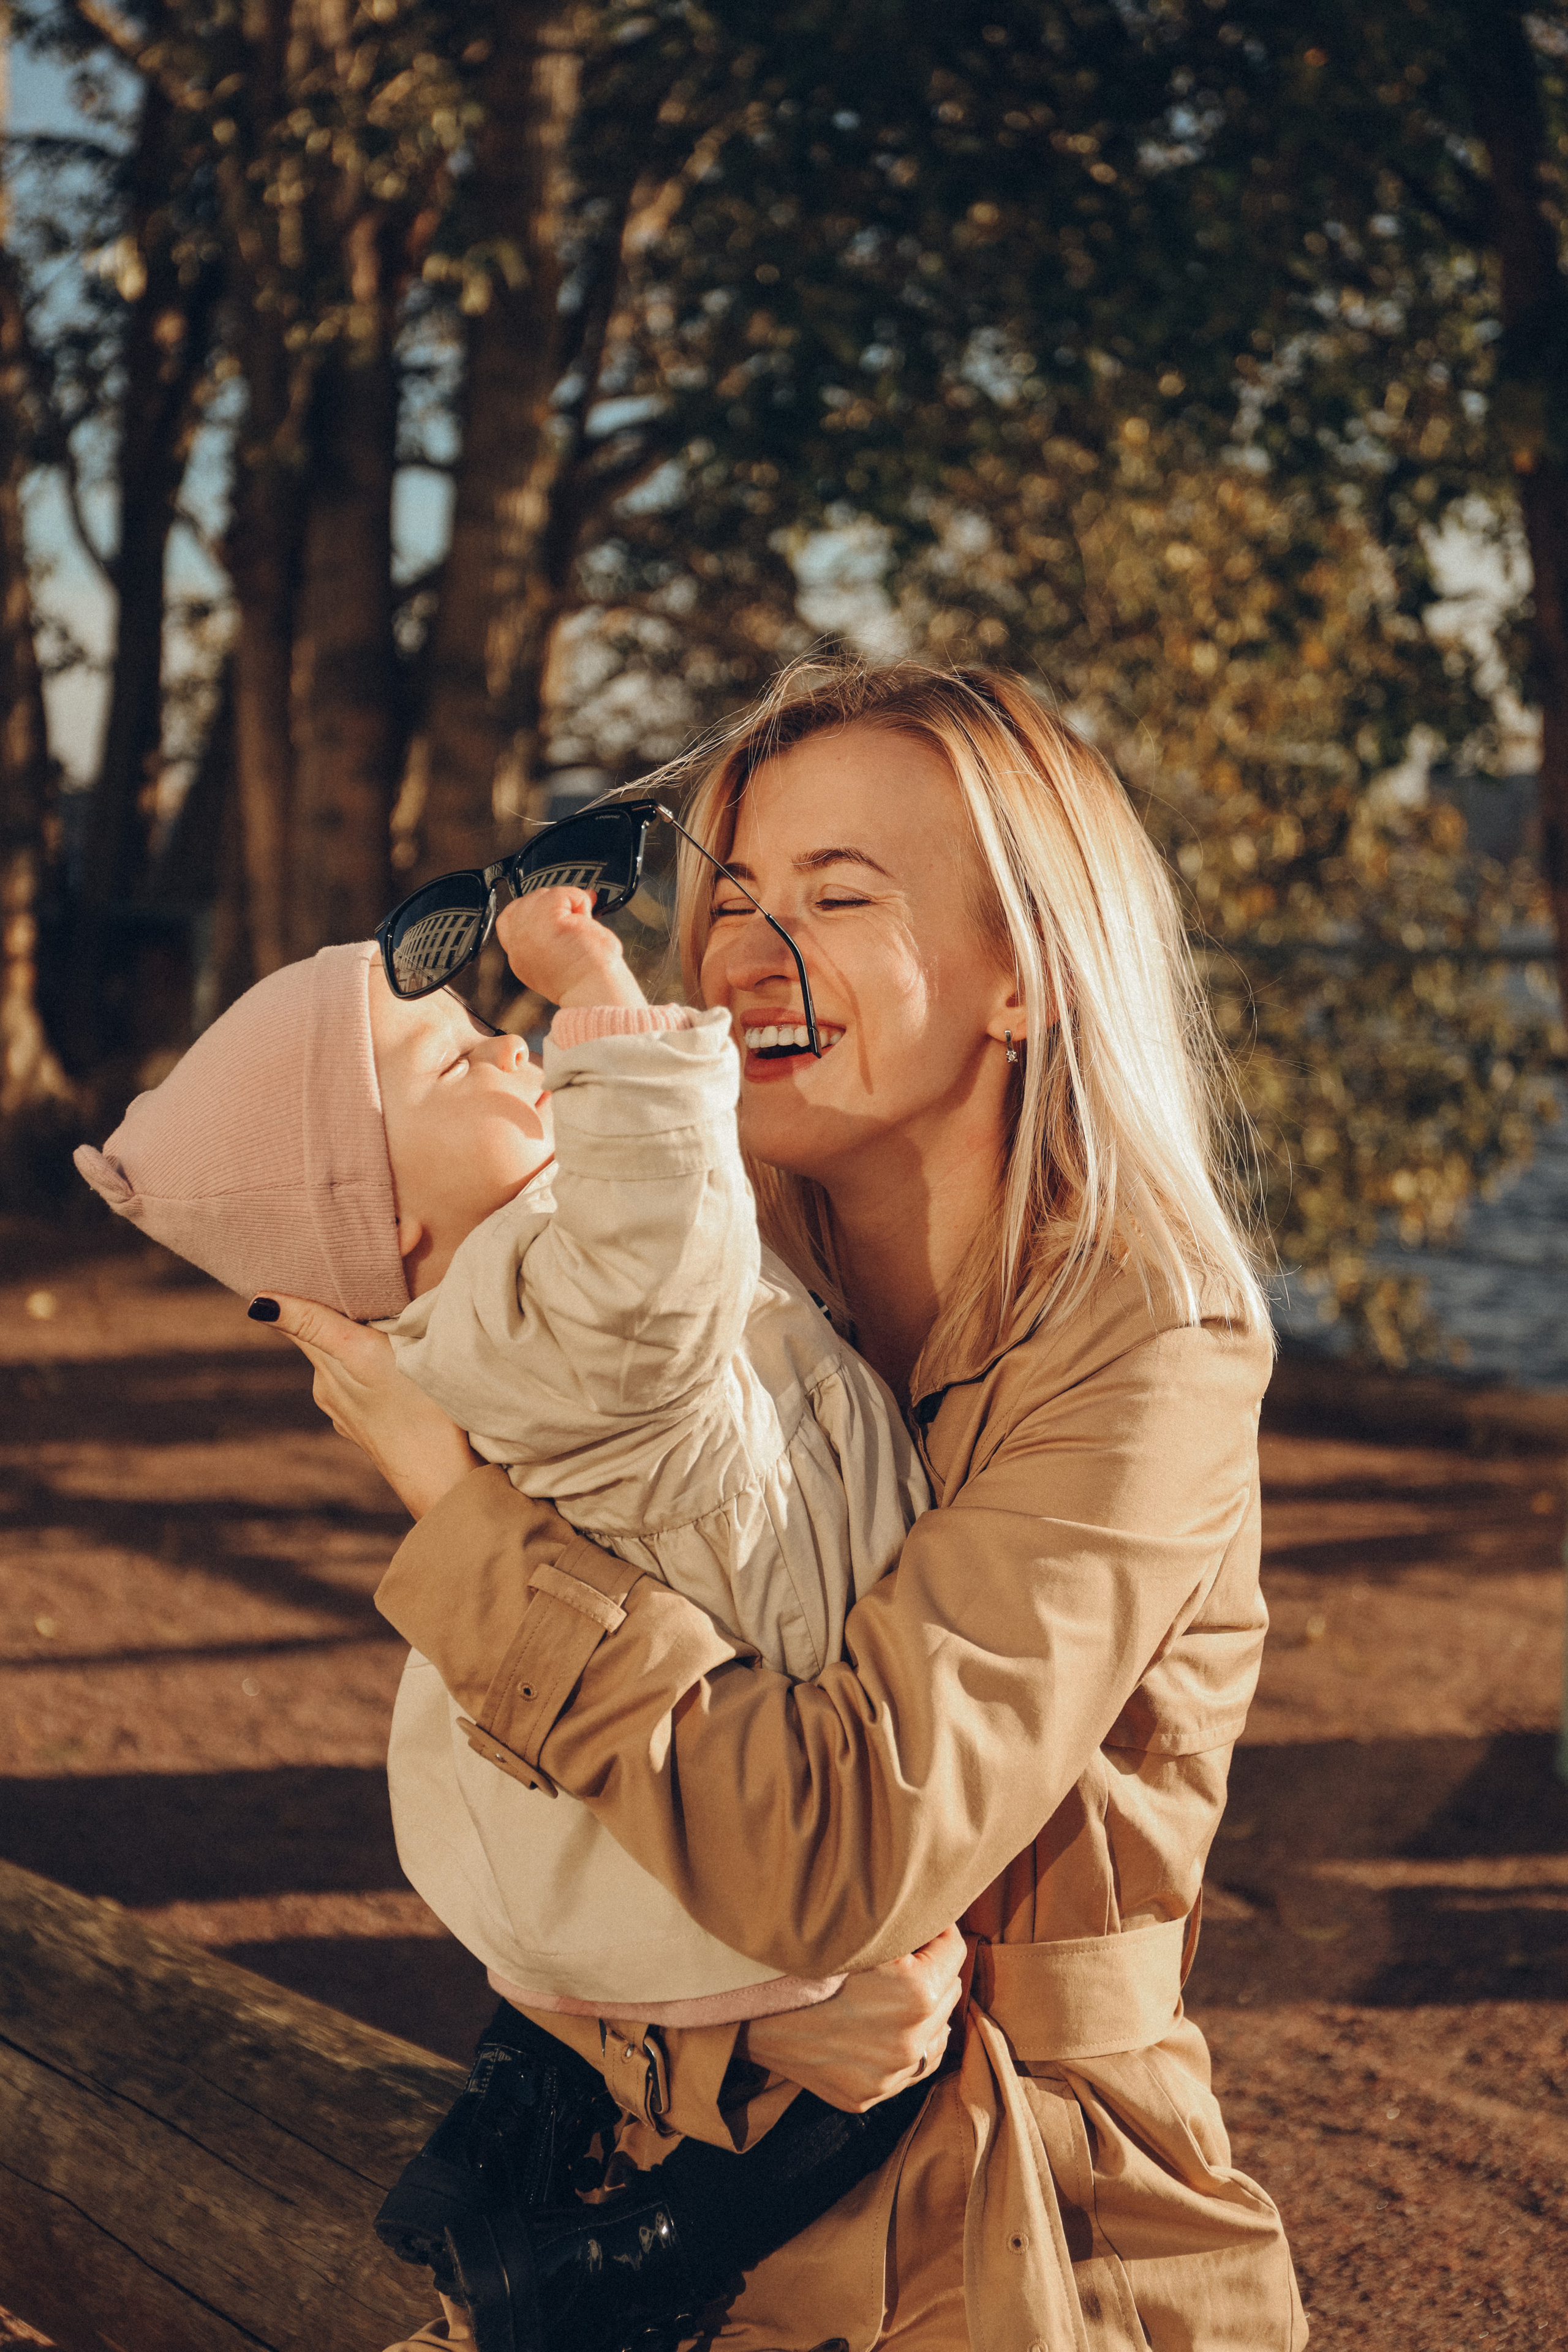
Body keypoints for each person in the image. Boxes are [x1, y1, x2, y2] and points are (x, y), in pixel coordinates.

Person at [260, 658, 1309, 2352]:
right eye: (734, 893)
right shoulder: (693, 1281)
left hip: (1002, 2227)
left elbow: (832, 1848)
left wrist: (448, 1504)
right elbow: (541, 1802)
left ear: (1025, 980)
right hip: (656, 2177)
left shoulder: (1146, 1340)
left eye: (838, 895)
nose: (747, 946)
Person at [72, 887, 941, 2340]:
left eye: (482, 1023)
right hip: (709, 1836)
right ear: (392, 1222)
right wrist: (600, 985)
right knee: (876, 2077)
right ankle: (634, 2260)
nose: (501, 1047)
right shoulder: (552, 1311)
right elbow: (664, 1239)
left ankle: (492, 2143)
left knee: (602, 2038)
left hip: (588, 1829)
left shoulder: (504, 1307)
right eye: (441, 1064)